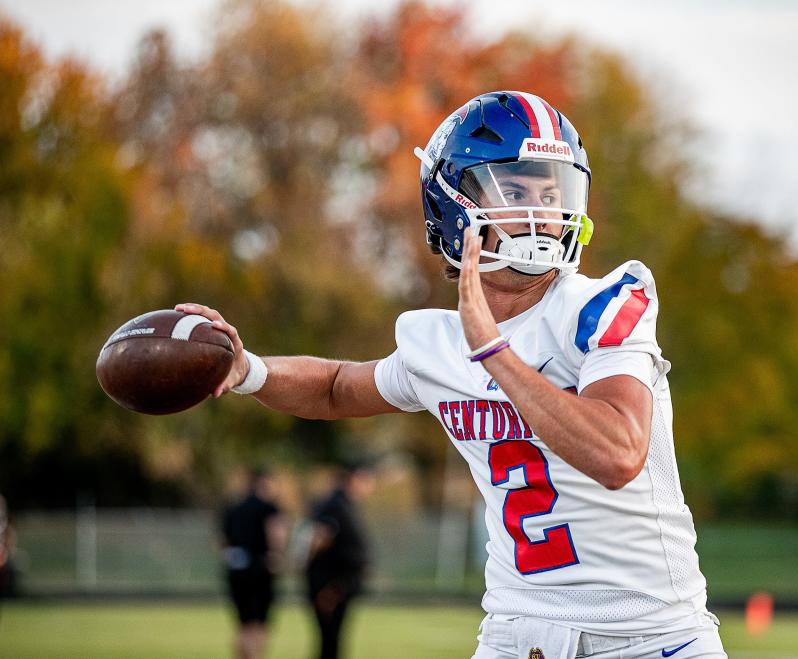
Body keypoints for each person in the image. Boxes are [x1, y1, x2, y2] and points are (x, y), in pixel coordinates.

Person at [181, 90, 726, 659]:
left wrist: (493, 349)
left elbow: (618, 453)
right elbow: (336, 387)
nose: (541, 211)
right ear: (453, 204)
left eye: (552, 191)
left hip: (649, 633)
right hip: (518, 629)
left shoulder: (605, 305)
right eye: (514, 190)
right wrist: (247, 370)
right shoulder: (437, 343)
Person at [305, 461, 375, 659]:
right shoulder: (336, 505)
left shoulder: (347, 504)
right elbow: (319, 539)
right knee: (329, 640)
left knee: (334, 640)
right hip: (330, 585)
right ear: (353, 478)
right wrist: (326, 587)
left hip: (340, 584)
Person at [221, 468, 287, 659]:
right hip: (260, 570)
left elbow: (221, 542)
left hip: (236, 570)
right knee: (259, 623)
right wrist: (277, 556)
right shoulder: (269, 508)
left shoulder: (233, 508)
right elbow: (276, 531)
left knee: (243, 624)